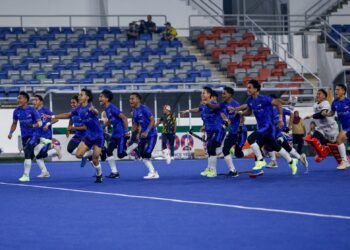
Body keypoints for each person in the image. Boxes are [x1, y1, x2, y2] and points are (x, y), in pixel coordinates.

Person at [229, 80, 298, 177]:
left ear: (256, 89)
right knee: (275, 146)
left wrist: (280, 119)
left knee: (251, 139)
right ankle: (291, 161)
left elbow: (278, 104)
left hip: (268, 127)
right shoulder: (250, 100)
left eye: (249, 87)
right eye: (247, 87)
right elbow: (248, 111)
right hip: (262, 128)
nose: (247, 89)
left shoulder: (265, 99)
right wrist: (238, 112)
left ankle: (261, 160)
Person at [45, 88, 104, 183]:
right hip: (88, 136)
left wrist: (94, 111)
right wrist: (52, 116)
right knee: (78, 155)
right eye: (79, 95)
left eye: (81, 95)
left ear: (87, 97)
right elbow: (68, 115)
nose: (79, 96)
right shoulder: (78, 109)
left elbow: (96, 112)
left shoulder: (90, 107)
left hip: (98, 136)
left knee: (95, 159)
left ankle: (99, 174)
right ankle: (93, 154)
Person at [181, 87, 225, 178]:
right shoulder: (203, 105)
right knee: (209, 149)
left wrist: (207, 103)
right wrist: (188, 111)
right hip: (209, 131)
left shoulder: (213, 103)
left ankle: (213, 170)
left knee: (212, 148)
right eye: (201, 93)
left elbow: (216, 107)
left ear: (209, 95)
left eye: (204, 93)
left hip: (217, 131)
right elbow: (198, 109)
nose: (202, 94)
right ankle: (209, 168)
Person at [8, 91, 42, 182]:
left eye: (20, 98)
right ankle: (43, 144)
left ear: (26, 100)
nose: (18, 100)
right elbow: (14, 123)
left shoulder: (32, 110)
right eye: (18, 98)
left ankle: (26, 176)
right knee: (30, 156)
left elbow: (40, 123)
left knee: (27, 151)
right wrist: (11, 132)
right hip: (24, 136)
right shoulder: (16, 111)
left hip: (33, 134)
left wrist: (33, 126)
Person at [99, 89, 129, 178]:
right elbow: (110, 121)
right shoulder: (106, 109)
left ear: (107, 98)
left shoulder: (112, 108)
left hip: (120, 134)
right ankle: (115, 172)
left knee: (120, 155)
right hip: (115, 134)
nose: (99, 99)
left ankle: (133, 146)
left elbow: (124, 118)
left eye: (101, 97)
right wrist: (102, 127)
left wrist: (126, 131)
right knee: (109, 151)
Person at [129, 92, 159, 179]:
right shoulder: (134, 112)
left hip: (152, 134)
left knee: (147, 153)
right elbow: (136, 125)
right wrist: (132, 135)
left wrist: (147, 131)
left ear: (138, 99)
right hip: (143, 136)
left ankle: (163, 154)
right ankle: (153, 172)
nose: (130, 100)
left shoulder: (144, 109)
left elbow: (152, 120)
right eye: (130, 99)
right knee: (141, 154)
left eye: (132, 98)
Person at [304, 89, 339, 162]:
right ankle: (321, 153)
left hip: (331, 127)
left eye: (319, 94)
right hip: (322, 127)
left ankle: (343, 158)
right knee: (313, 136)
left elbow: (322, 115)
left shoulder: (326, 103)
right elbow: (319, 115)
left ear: (324, 96)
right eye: (317, 94)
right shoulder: (315, 105)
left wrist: (311, 116)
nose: (317, 95)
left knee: (335, 145)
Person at [32, 94, 61, 178]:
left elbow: (56, 119)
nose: (34, 102)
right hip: (38, 136)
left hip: (46, 136)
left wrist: (48, 124)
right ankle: (44, 172)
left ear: (41, 102)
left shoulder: (46, 110)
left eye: (36, 100)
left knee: (42, 154)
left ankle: (55, 151)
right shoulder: (34, 112)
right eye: (34, 100)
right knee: (36, 154)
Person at [324, 84, 350, 170]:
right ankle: (345, 161)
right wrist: (326, 114)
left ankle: (345, 161)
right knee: (339, 140)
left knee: (338, 140)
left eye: (338, 90)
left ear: (343, 91)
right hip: (345, 126)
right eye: (335, 90)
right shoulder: (334, 102)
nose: (336, 91)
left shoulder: (348, 101)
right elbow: (332, 112)